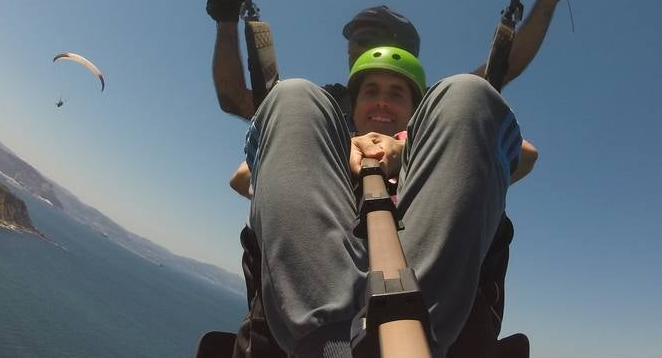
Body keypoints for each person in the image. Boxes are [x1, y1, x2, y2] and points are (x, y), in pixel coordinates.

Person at [229, 46, 534, 358]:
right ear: (354, 106)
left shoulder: (436, 148)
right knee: (292, 97)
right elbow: (243, 176)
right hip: (323, 296)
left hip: (425, 314)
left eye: (397, 94)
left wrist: (405, 151)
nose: (382, 102)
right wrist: (341, 149)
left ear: (418, 115)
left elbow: (522, 153)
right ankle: (333, 347)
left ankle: (404, 336)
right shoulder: (325, 144)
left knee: (469, 95)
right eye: (371, 91)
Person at [206, 0, 569, 121]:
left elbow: (502, 68)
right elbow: (235, 99)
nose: (351, 49)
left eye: (363, 39)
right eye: (351, 40)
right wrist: (226, 23)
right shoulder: (325, 103)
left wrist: (547, 0)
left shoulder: (430, 106)